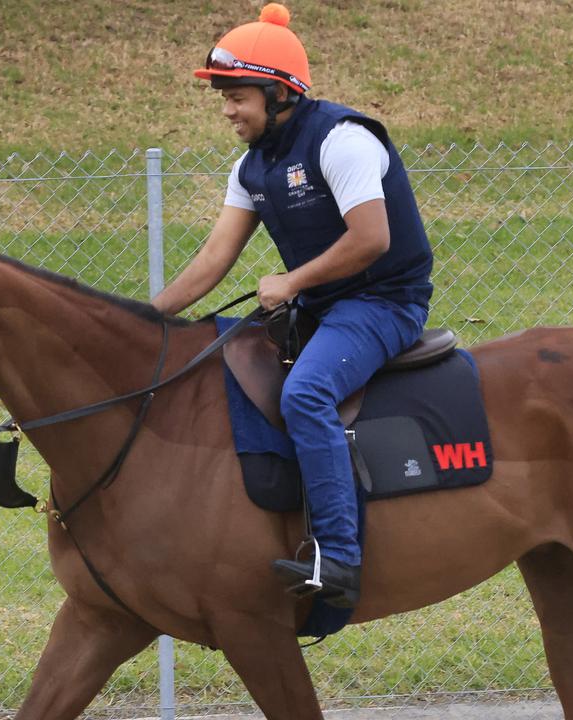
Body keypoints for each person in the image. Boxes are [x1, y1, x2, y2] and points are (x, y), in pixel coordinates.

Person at [151, 3, 433, 609]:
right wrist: (148, 317)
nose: (227, 110)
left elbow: (371, 239)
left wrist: (293, 281)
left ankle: (339, 558)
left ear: (278, 92)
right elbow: (214, 258)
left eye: (237, 96)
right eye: (222, 97)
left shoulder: (342, 140)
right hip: (323, 308)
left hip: (383, 304)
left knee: (306, 394)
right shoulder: (251, 167)